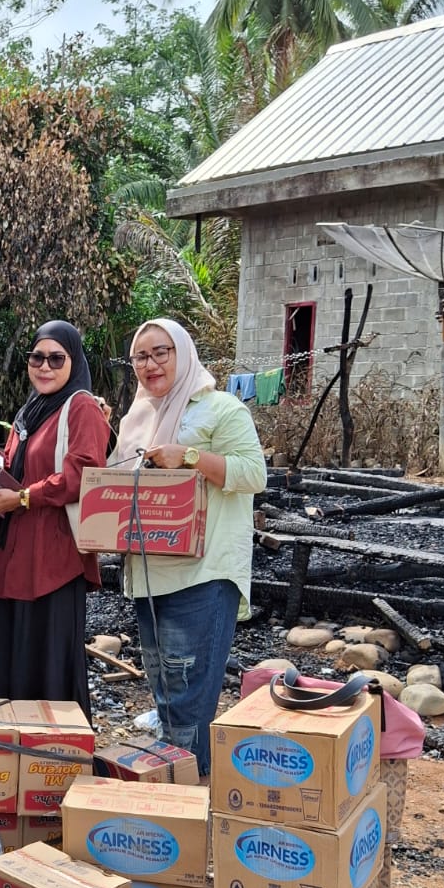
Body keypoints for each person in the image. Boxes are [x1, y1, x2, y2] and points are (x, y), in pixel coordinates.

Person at [113, 317, 266, 778]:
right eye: (141, 356)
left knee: (189, 693)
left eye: (162, 352)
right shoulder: (137, 416)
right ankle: (175, 788)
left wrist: (192, 457)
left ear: (183, 353)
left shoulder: (221, 409)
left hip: (201, 575)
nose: (151, 363)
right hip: (147, 572)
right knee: (164, 691)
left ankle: (189, 794)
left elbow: (253, 473)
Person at [0, 321, 109, 715]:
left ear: (74, 361)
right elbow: (18, 470)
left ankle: (56, 758)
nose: (45, 366)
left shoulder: (81, 406)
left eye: (57, 358)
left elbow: (83, 473)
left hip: (55, 558)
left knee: (49, 659)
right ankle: (14, 757)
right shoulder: (29, 412)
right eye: (37, 357)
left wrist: (21, 498)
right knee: (17, 652)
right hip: (19, 554)